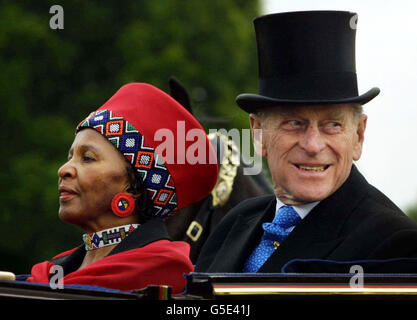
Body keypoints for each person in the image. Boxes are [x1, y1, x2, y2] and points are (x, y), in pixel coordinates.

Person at [195, 11, 417, 273]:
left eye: (332, 125)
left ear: (358, 135)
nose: (313, 146)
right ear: (258, 133)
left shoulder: (394, 244)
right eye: (294, 124)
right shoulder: (237, 221)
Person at [25, 82, 218, 292]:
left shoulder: (161, 271)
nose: (64, 170)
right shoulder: (52, 272)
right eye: (70, 157)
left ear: (133, 187)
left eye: (87, 158)